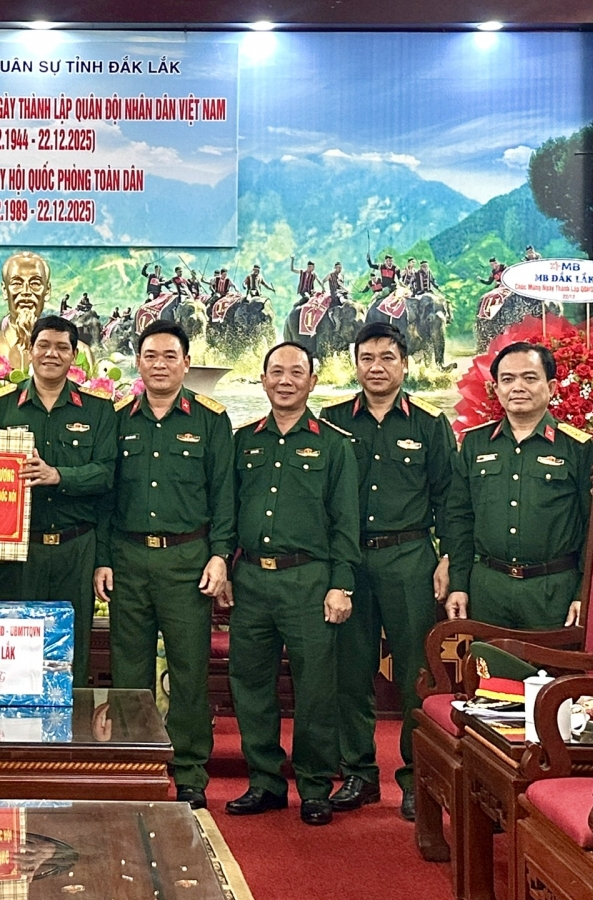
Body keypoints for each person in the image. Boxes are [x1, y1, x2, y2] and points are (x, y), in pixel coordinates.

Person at [320, 322, 469, 822]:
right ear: (355, 364)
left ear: (404, 364)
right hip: (348, 561)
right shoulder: (332, 422)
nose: (377, 367)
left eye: (387, 357)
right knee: (350, 669)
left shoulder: (429, 423)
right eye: (367, 358)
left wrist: (448, 558)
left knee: (414, 672)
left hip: (409, 557)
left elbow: (450, 500)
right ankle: (358, 774)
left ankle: (415, 777)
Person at [94, 320, 234, 809]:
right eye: (150, 355)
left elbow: (225, 495)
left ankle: (191, 771)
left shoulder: (211, 419)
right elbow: (104, 496)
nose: (159, 364)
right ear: (138, 362)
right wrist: (103, 559)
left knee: (188, 670)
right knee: (128, 672)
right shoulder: (116, 418)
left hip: (187, 561)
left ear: (186, 363)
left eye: (170, 356)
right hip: (128, 560)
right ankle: (134, 765)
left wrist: (220, 556)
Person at [224, 341, 359, 826]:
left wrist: (341, 584)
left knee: (316, 689)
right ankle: (264, 781)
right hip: (251, 580)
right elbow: (228, 511)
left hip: (309, 581)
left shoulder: (334, 444)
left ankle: (315, 787)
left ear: (312, 381)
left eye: (296, 372)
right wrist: (226, 567)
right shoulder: (243, 441)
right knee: (251, 683)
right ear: (263, 380)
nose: (285, 380)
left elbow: (346, 522)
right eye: (276, 372)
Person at [0, 314, 116, 686]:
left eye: (61, 347)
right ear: (30, 350)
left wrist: (58, 476)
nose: (51, 354)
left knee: (70, 655)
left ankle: (72, 724)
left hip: (77, 548)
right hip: (19, 550)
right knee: (13, 653)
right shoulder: (1, 406)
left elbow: (107, 475)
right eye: (43, 345)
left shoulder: (98, 409)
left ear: (74, 355)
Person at [445, 342, 593, 628]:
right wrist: (458, 584)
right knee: (489, 658)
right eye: (507, 379)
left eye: (529, 378)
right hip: (489, 589)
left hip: (553, 591)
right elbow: (459, 518)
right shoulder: (475, 444)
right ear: (496, 389)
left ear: (551, 387)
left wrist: (584, 592)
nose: (518, 387)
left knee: (553, 660)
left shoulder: (579, 448)